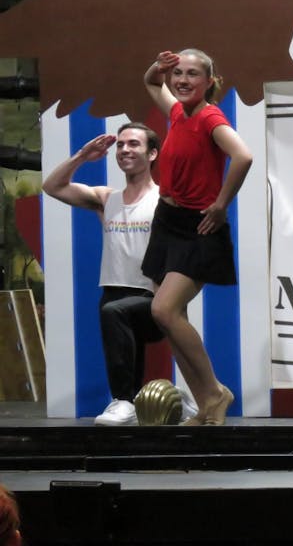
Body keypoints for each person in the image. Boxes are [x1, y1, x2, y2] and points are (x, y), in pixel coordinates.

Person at [42, 122, 197, 426]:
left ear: (152, 154)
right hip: (114, 291)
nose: (125, 150)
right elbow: (52, 186)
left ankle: (125, 401)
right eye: (121, 145)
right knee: (116, 318)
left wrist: (172, 295)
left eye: (134, 144)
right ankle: (136, 404)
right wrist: (81, 157)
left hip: (154, 297)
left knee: (116, 313)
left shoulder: (164, 200)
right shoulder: (106, 199)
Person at [143, 48, 253, 426]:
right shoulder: (177, 112)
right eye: (178, 74)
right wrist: (159, 66)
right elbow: (150, 81)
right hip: (167, 221)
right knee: (170, 317)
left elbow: (243, 156)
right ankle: (206, 405)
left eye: (192, 74)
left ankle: (215, 392)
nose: (182, 80)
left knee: (163, 309)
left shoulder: (209, 117)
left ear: (209, 82)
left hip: (198, 227)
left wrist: (222, 204)